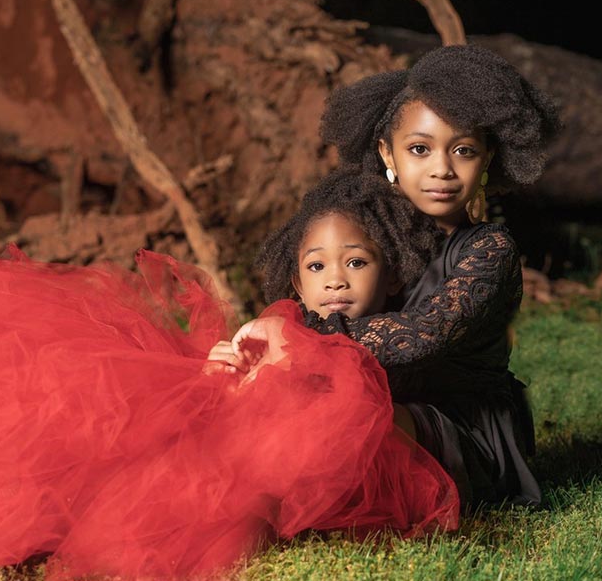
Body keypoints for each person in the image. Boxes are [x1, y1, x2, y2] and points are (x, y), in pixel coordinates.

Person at [0, 169, 457, 581]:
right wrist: (228, 364)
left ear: (389, 273)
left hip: (269, 450)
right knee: (93, 403)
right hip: (230, 419)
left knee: (214, 486)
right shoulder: (283, 318)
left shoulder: (386, 338)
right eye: (318, 267)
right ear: (296, 279)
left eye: (356, 263)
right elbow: (244, 359)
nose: (337, 280)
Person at [231, 44, 560, 509]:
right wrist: (257, 354)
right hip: (378, 402)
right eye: (420, 149)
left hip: (459, 428)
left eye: (463, 150)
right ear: (388, 151)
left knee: (337, 417)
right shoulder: (372, 237)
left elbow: (421, 335)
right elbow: (324, 292)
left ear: (488, 157)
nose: (441, 169)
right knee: (250, 398)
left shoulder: (490, 249)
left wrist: (296, 338)